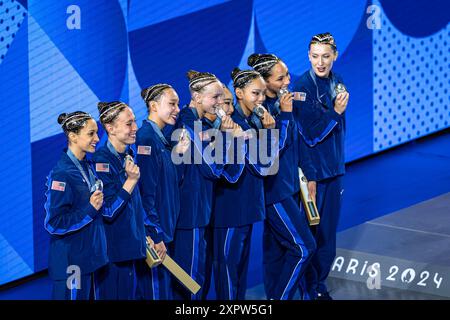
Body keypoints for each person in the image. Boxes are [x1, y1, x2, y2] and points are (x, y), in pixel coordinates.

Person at [248, 54, 316, 300]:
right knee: (304, 248)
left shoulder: (281, 102)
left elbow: (298, 142)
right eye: (281, 77)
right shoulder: (259, 112)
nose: (288, 80)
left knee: (278, 251)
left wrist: (309, 177)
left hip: (289, 186)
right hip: (274, 192)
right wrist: (285, 115)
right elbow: (273, 152)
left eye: (287, 74)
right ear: (263, 82)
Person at [172, 70, 240, 300]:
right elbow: (212, 169)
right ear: (197, 96)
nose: (220, 103)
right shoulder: (188, 124)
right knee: (190, 281)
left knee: (198, 277)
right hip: (188, 214)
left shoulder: (199, 122)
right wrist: (227, 136)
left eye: (221, 97)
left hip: (200, 211)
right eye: (215, 97)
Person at [292, 32, 349, 300]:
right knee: (312, 236)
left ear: (335, 55)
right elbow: (311, 135)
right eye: (315, 56)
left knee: (328, 237)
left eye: (326, 56)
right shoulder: (303, 88)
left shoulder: (337, 81)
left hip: (334, 170)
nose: (320, 62)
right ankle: (308, 288)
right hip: (315, 175)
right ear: (308, 56)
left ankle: (318, 286)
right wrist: (334, 113)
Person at [44, 111, 107, 300]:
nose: (97, 138)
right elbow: (53, 223)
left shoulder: (86, 166)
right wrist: (89, 209)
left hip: (86, 260)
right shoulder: (61, 174)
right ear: (72, 136)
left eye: (97, 132)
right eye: (91, 134)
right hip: (71, 264)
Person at [136, 83, 189, 299]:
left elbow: (171, 182)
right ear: (153, 106)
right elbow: (146, 193)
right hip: (156, 234)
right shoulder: (146, 138)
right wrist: (154, 233)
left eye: (177, 103)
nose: (177, 109)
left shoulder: (160, 137)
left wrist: (179, 155)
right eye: (172, 104)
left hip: (166, 228)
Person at [93, 101, 149, 300]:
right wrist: (131, 181)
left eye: (134, 122)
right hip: (111, 255)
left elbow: (136, 204)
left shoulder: (129, 154)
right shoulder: (100, 161)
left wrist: (147, 232)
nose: (135, 128)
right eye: (129, 123)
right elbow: (107, 210)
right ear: (110, 128)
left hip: (130, 249)